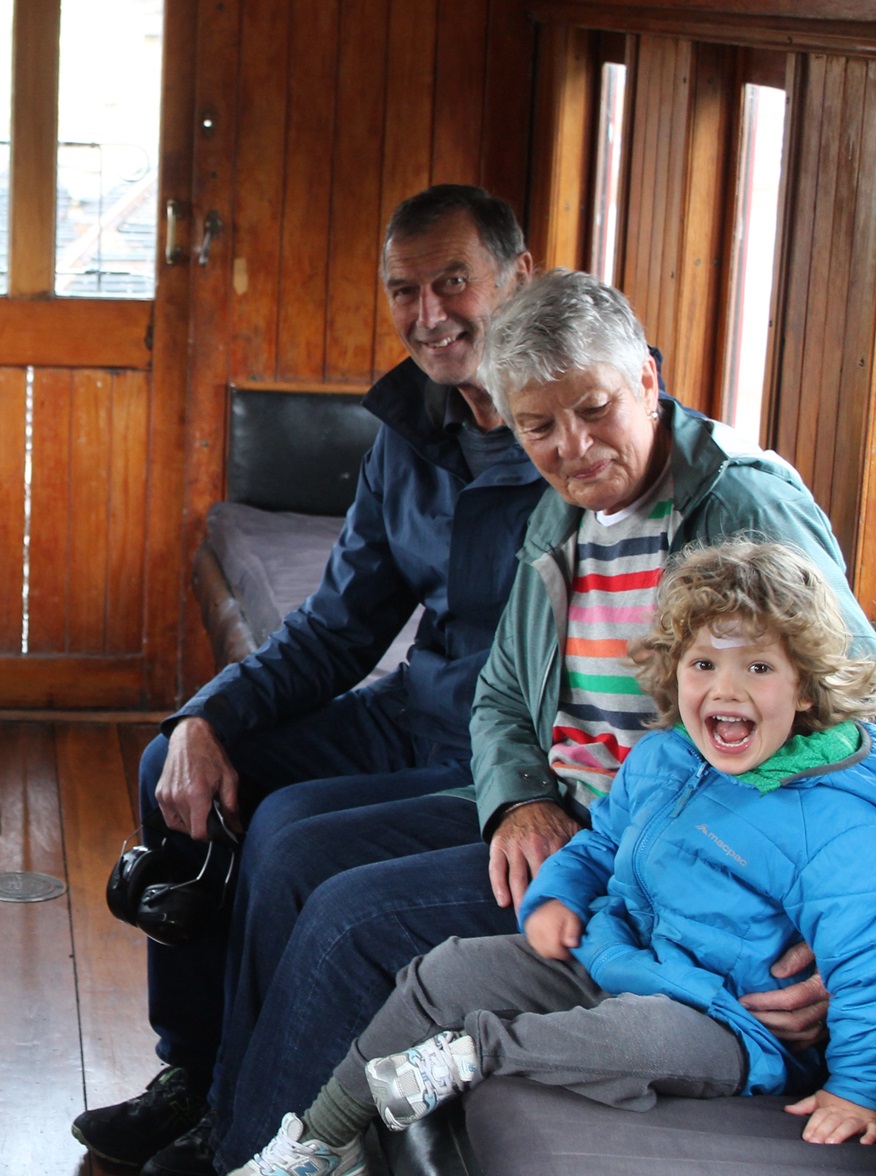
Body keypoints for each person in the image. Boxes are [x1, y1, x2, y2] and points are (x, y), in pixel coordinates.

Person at [202, 269, 873, 1173]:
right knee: (285, 843)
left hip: (674, 855)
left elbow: (857, 695)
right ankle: (233, 1126)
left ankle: (271, 1153)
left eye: (595, 408)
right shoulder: (564, 508)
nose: (575, 447)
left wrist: (832, 946)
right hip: (579, 815)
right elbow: (504, 693)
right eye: (540, 427)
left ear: (646, 377)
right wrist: (517, 800)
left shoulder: (742, 503)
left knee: (350, 920)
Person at [73, 185, 546, 1176]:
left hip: (506, 763)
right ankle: (192, 1077)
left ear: (520, 279)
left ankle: (245, 1125)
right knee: (179, 758)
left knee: (291, 839)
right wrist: (206, 715)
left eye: (453, 282)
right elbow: (336, 632)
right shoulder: (412, 432)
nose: (428, 315)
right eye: (403, 290)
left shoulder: (578, 443)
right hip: (411, 714)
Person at [231, 537, 876, 1175]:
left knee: (640, 1035)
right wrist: (557, 898)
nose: (726, 689)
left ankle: (472, 1054)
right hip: (619, 954)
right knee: (444, 972)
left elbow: (863, 962)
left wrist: (856, 1088)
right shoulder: (664, 758)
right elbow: (596, 845)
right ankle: (322, 1142)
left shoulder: (831, 821)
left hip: (729, 1024)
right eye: (704, 664)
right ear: (674, 669)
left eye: (758, 668)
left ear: (805, 692)